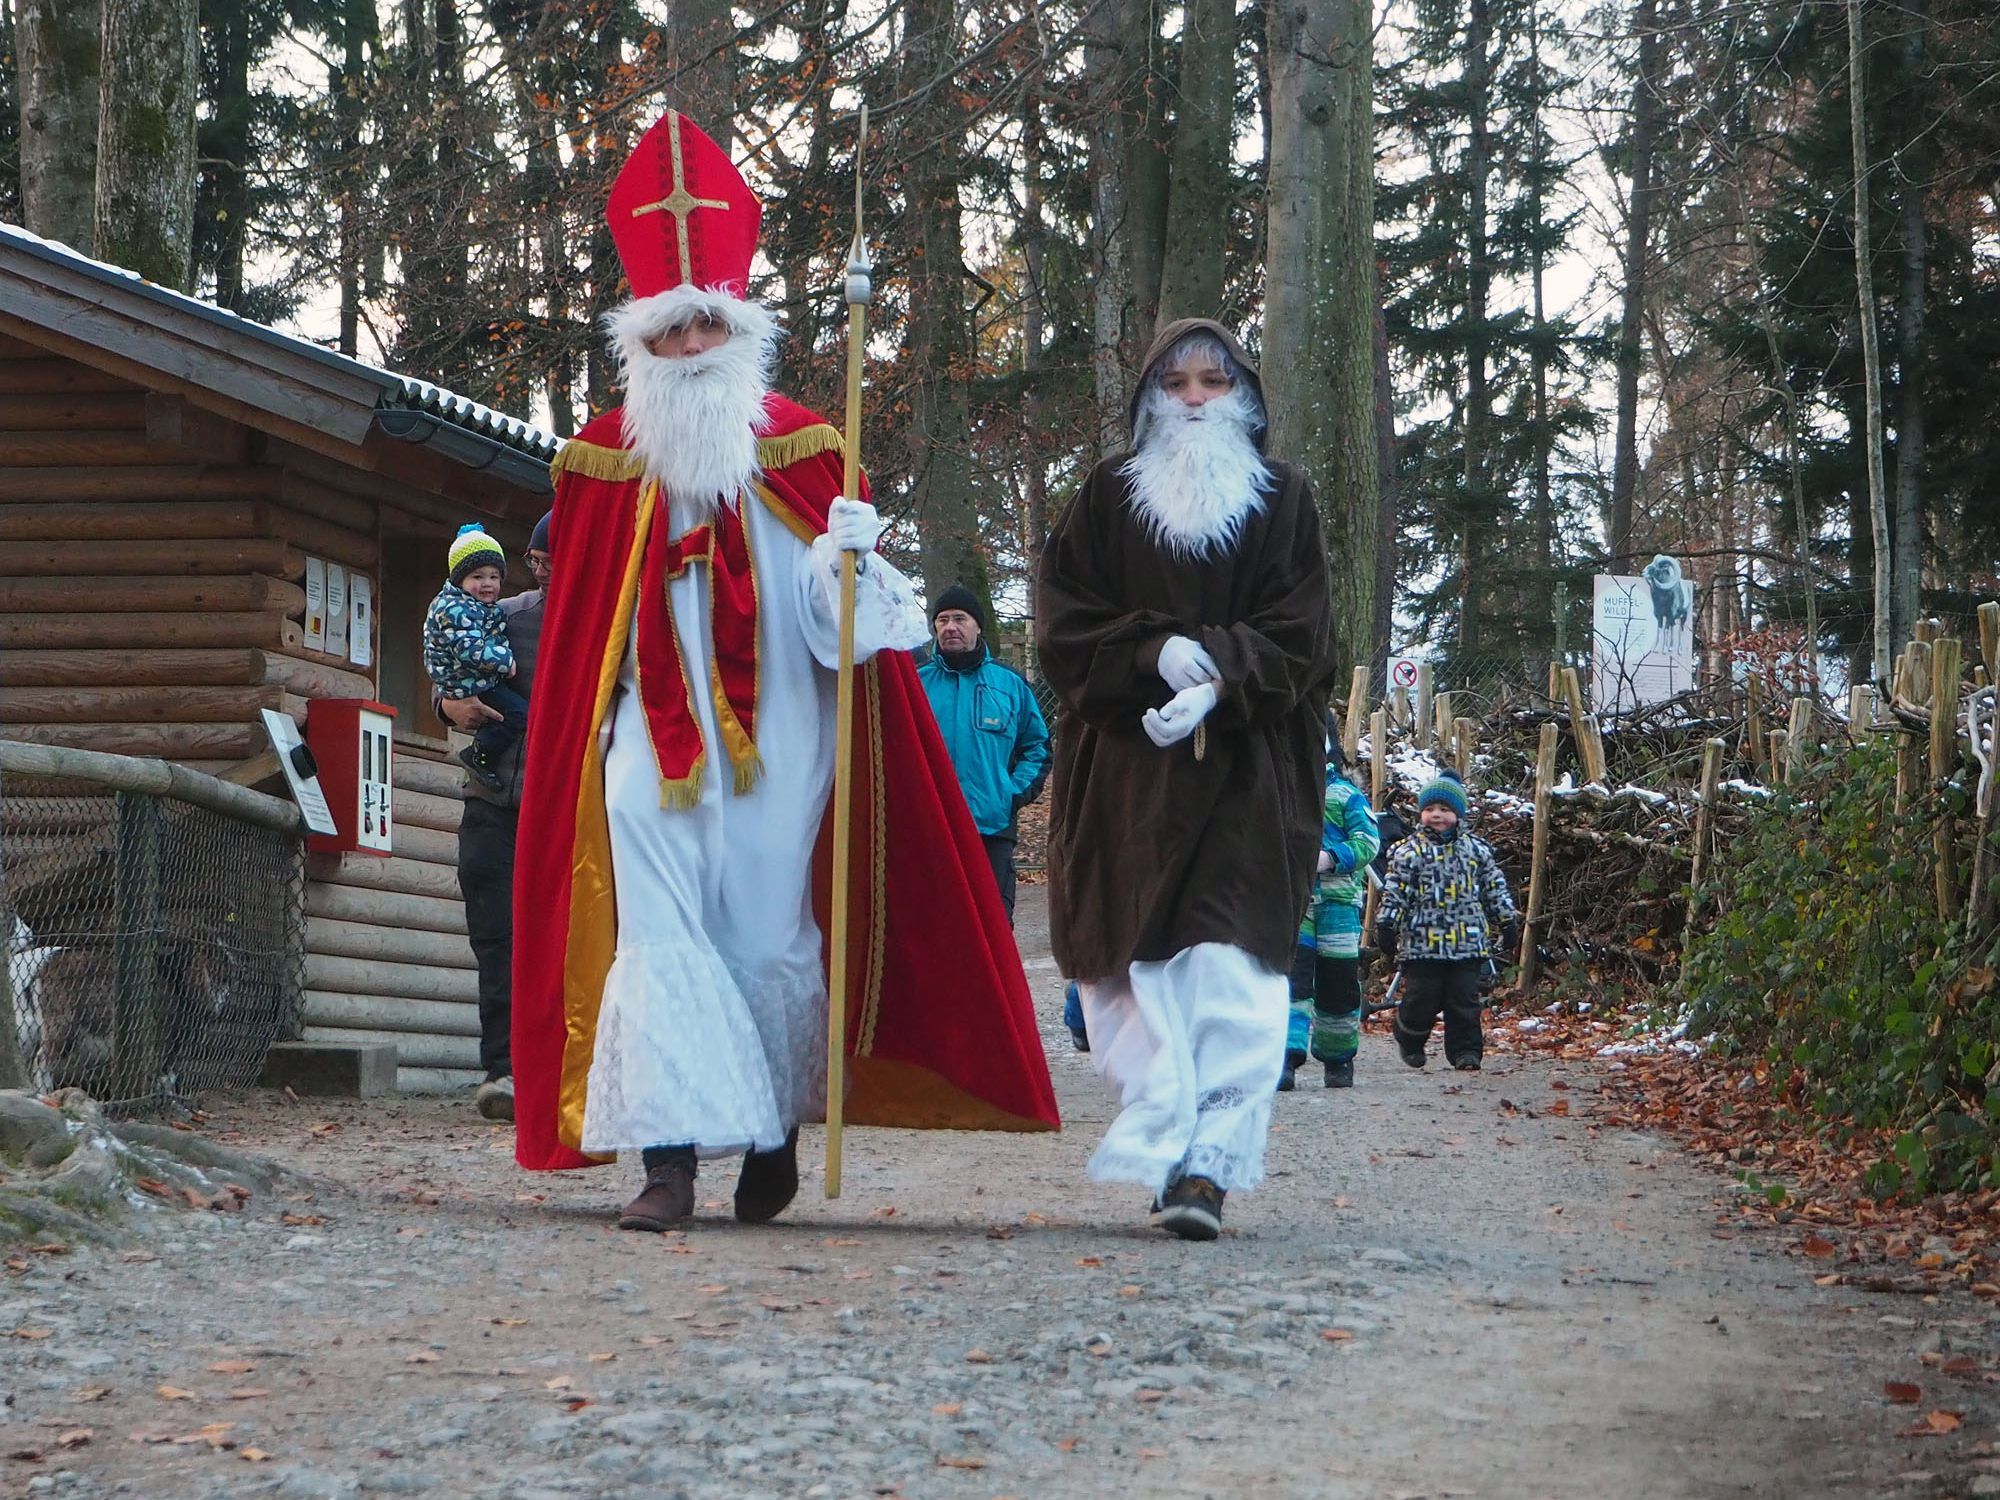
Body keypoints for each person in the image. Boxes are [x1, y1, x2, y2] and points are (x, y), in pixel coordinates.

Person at [511, 111, 1058, 1232]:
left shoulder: (808, 447)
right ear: (641, 343)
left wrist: (846, 559)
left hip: (780, 742)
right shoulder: (601, 459)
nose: (690, 349)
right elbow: (579, 629)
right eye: (669, 333)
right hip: (646, 742)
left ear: (738, 328)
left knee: (763, 938)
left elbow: (842, 633)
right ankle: (666, 1163)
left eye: (707, 326)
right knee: (661, 935)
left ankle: (769, 1133)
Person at [1036, 317, 1338, 1241]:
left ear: (1243, 394)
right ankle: (1166, 1133)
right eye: (1178, 386)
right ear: (1150, 400)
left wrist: (1221, 675)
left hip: (1249, 776)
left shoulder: (1285, 499)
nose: (1198, 399)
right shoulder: (1106, 498)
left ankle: (1208, 1166)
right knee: (1130, 972)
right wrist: (1153, 656)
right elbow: (1064, 623)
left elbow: (1305, 633)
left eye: (1214, 381)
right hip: (1124, 778)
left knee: (1229, 968)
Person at [437, 512, 551, 1122]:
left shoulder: (614, 625)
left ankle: (558, 1067)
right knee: (494, 935)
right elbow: (450, 678)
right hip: (492, 804)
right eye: (538, 564)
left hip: (564, 808)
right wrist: (449, 705)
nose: (544, 574)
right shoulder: (504, 617)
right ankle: (503, 1070)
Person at [915, 585, 1051, 921]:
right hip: (930, 829)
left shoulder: (1009, 685)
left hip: (992, 827)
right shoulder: (916, 685)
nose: (950, 627)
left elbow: (1037, 747)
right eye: (942, 620)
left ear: (978, 626)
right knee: (935, 925)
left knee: (993, 925)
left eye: (960, 619)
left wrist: (1011, 792)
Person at [1374, 769, 1519, 1072]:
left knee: (1464, 1000)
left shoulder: (1476, 851)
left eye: (1444, 809)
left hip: (1467, 942)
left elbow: (1494, 886)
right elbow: (1396, 891)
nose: (1436, 815)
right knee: (1422, 998)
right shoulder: (1408, 852)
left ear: (1459, 814)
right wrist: (1387, 924)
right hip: (1421, 944)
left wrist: (1507, 920)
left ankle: (1466, 1050)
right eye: (1429, 809)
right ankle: (1410, 1035)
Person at [1281, 726, 1380, 1091]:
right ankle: (1285, 1057)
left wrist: (1332, 857)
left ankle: (1338, 1057)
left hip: (1338, 904)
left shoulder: (1345, 795)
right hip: (1296, 904)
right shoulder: (1284, 794)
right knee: (1293, 978)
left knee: (1337, 982)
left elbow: (1369, 841)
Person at [423, 524, 528, 793]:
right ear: (459, 579)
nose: (487, 584)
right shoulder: (455, 609)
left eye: (494, 577)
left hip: (472, 679)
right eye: (477, 577)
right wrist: (506, 661)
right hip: (466, 681)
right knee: (518, 714)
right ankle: (479, 755)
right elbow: (470, 649)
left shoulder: (478, 608)